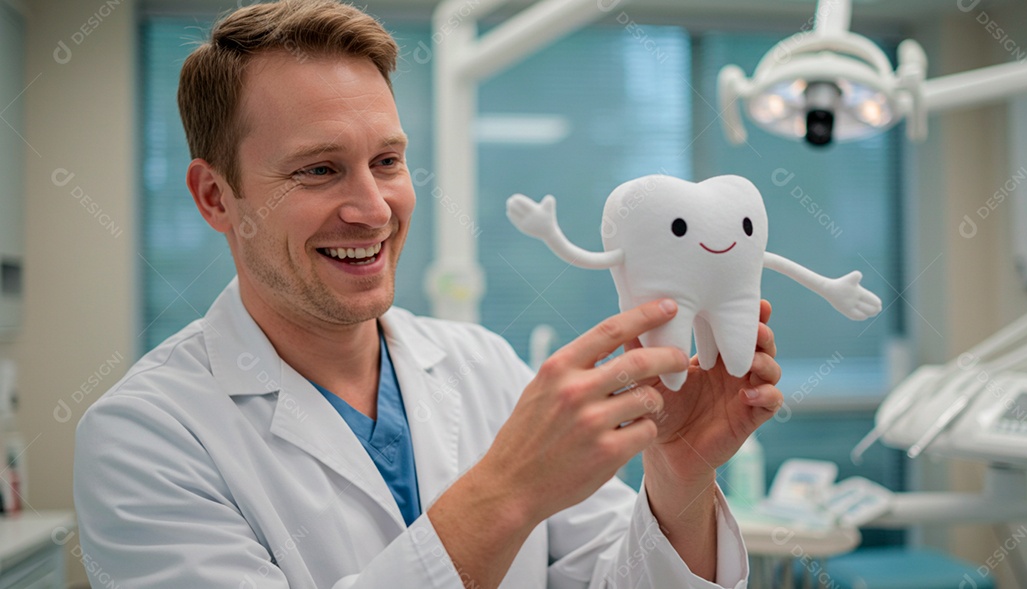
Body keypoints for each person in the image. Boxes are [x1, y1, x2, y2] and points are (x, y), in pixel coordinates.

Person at [73, 1, 783, 587]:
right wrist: (507, 491)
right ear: (214, 196)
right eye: (318, 170)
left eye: (387, 161)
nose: (373, 209)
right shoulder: (144, 438)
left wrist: (678, 477)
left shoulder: (483, 365)